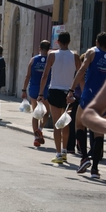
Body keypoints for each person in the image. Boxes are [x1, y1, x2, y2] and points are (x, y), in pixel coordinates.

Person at [37, 31, 81, 163]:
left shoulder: (52, 55)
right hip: (69, 92)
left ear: (58, 42)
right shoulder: (75, 56)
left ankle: (58, 154)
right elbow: (80, 75)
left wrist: (40, 93)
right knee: (65, 124)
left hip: (55, 90)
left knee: (57, 124)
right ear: (69, 41)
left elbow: (45, 75)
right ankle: (64, 151)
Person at [67, 32, 106, 178]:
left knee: (79, 125)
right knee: (98, 133)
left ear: (97, 42)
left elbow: (81, 71)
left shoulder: (91, 52)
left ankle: (84, 157)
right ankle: (95, 169)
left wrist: (71, 90)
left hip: (89, 95)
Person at [22, 40, 51, 147]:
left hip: (34, 89)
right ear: (48, 49)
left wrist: (24, 89)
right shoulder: (50, 60)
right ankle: (40, 129)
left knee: (36, 113)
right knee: (46, 113)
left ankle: (36, 138)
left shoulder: (33, 60)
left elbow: (27, 76)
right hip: (46, 89)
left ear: (40, 48)